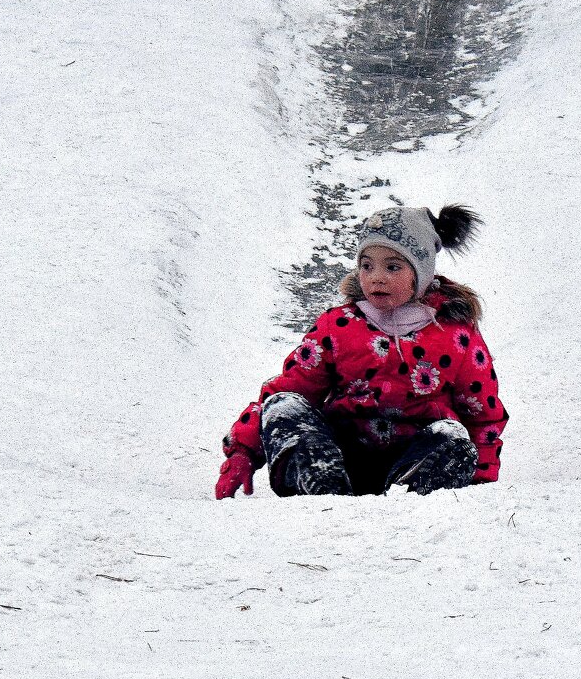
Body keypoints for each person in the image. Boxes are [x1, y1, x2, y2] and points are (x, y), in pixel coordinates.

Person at [214, 205, 509, 499]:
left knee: (453, 437)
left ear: (421, 272)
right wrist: (243, 451)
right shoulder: (338, 325)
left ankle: (406, 496)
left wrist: (481, 484)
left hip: (415, 461)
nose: (376, 277)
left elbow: (483, 413)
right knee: (282, 405)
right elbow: (293, 387)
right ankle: (324, 493)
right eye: (367, 266)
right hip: (337, 460)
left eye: (393, 267)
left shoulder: (456, 333)